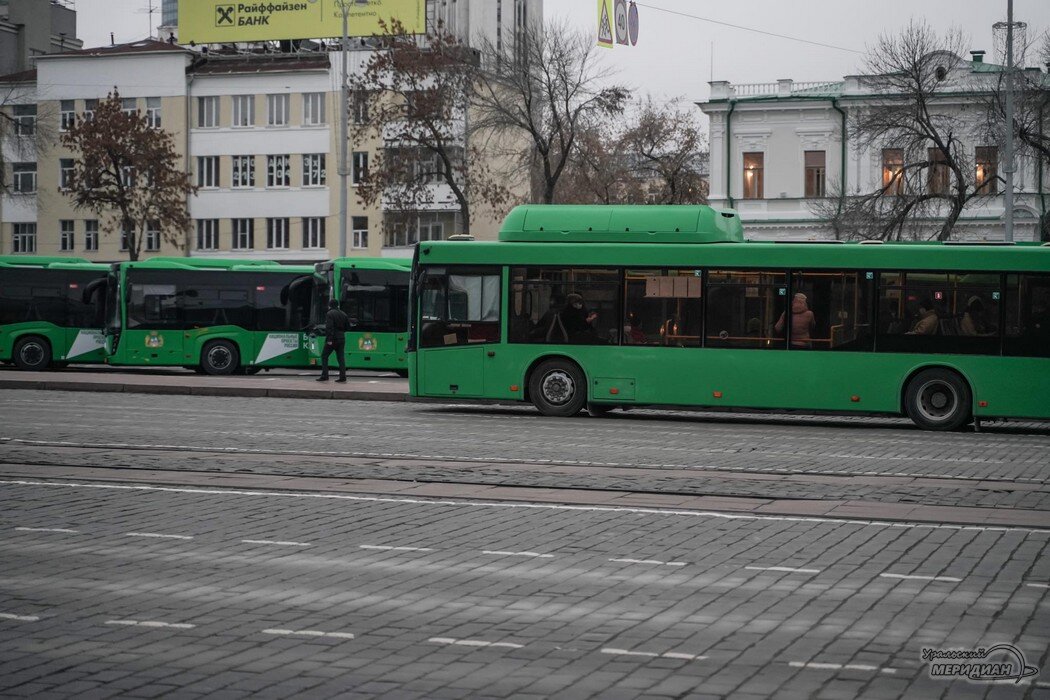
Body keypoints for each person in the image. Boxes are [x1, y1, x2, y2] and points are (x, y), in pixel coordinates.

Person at [318, 298, 351, 382]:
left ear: (330, 305)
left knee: (324, 356)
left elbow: (329, 327)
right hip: (341, 338)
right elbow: (348, 327)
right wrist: (341, 332)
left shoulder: (330, 313)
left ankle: (325, 375)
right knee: (341, 358)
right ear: (337, 305)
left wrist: (329, 339)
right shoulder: (344, 314)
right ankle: (342, 377)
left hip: (332, 339)